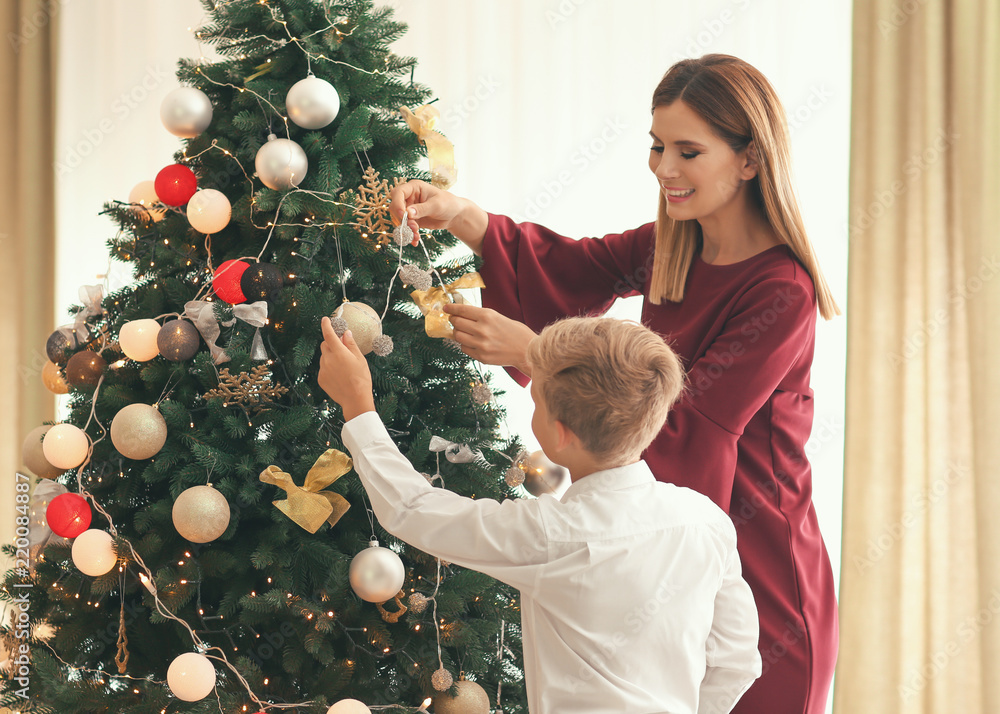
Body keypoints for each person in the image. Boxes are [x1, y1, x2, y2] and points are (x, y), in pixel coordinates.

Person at [387, 55, 839, 714]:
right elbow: (570, 266)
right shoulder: (671, 244)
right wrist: (459, 213)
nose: (663, 169)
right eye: (657, 147)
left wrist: (536, 351)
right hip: (670, 558)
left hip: (762, 569)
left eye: (688, 151)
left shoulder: (782, 291)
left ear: (749, 159)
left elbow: (688, 426)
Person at [318, 315, 762, 714]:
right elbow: (737, 661)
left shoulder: (554, 534)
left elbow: (414, 509)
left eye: (538, 402)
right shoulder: (705, 520)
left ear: (560, 433)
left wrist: (358, 404)